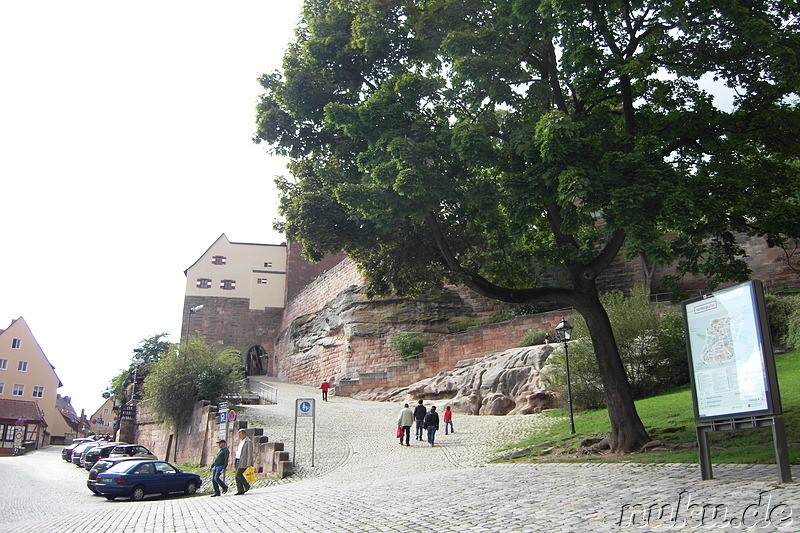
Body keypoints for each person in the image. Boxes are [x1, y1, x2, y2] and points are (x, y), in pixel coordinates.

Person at [234, 429, 253, 495]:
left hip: (244, 461)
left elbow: (250, 453)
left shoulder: (248, 442)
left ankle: (246, 485)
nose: (239, 436)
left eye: (240, 435)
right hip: (238, 459)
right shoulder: (241, 442)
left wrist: (249, 463)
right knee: (236, 476)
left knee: (238, 474)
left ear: (244, 434)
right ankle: (240, 490)